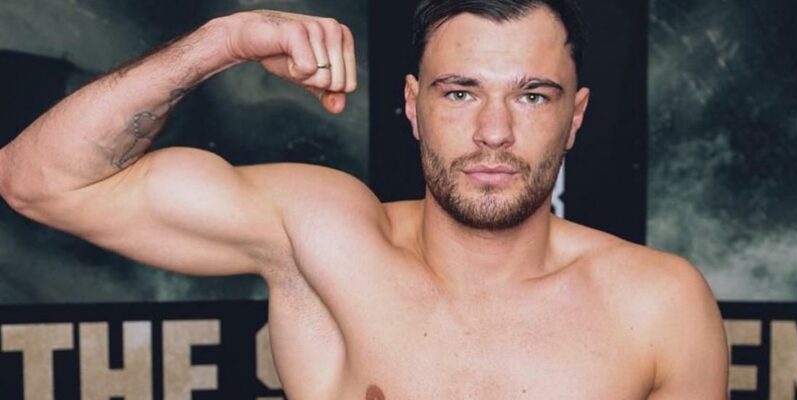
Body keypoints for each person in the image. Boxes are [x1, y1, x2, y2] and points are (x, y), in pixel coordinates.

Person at [0, 0, 728, 398]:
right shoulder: (325, 241)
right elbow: (40, 182)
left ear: (575, 117)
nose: (494, 132)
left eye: (532, 96)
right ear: (412, 106)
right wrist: (224, 42)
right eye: (460, 92)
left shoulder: (657, 303)